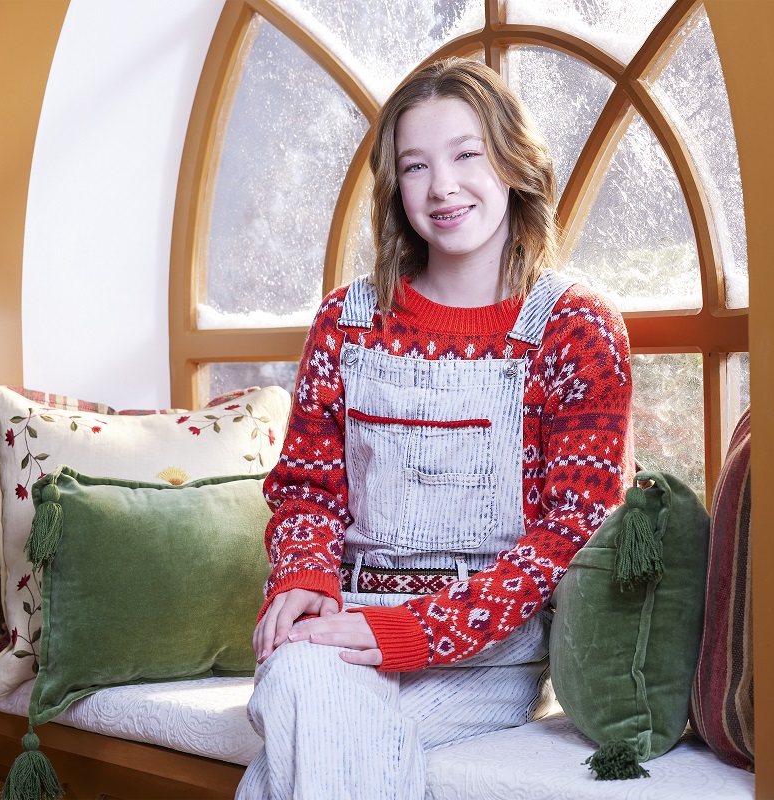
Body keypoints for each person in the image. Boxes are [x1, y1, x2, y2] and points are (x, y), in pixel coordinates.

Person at [236, 57, 632, 800]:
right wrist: (304, 576)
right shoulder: (346, 320)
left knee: (292, 755)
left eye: (466, 155)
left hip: (488, 659)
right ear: (395, 187)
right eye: (416, 166)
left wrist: (412, 632)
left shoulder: (576, 329)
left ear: (513, 163)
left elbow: (569, 532)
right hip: (341, 623)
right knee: (309, 697)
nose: (442, 187)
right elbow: (308, 492)